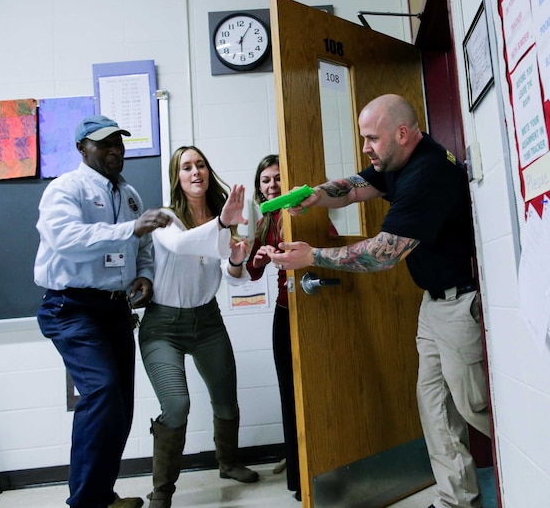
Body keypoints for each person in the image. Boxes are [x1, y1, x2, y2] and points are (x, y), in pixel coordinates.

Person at [269, 94, 491, 508]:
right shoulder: (398, 159)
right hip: (434, 304)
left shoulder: (427, 173)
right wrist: (315, 195)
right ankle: (457, 501)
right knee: (436, 408)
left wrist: (313, 257)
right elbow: (354, 189)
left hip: (461, 304)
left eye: (371, 138)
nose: (366, 147)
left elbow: (383, 253)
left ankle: (543, 462)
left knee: (476, 407)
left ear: (401, 133)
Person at [34, 115, 169, 508]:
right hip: (71, 307)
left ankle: (101, 495)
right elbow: (66, 239)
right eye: (104, 144)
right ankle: (86, 503)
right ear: (82, 149)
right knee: (102, 392)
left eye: (119, 144)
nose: (115, 151)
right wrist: (130, 230)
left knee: (120, 404)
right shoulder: (66, 189)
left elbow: (143, 247)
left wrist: (143, 275)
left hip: (114, 308)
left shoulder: (129, 195)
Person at [139, 146, 260, 508]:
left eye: (201, 165)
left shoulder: (225, 218)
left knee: (226, 400)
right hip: (163, 325)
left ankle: (228, 463)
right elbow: (180, 245)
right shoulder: (165, 218)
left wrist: (237, 260)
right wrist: (221, 225)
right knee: (176, 404)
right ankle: (162, 491)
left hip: (207, 319)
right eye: (187, 167)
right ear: (177, 176)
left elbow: (233, 278)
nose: (196, 172)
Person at [244, 154, 302, 501]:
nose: (272, 186)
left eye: (277, 179)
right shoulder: (265, 219)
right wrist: (260, 259)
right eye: (265, 181)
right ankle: (297, 477)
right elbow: (251, 271)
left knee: (307, 392)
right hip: (283, 312)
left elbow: (325, 244)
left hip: (309, 311)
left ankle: (314, 469)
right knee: (288, 394)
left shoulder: (299, 211)